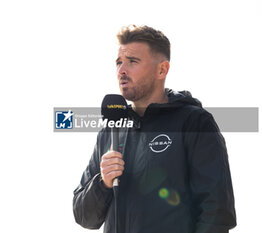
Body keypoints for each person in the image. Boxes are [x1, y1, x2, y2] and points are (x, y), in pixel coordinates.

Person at [73, 25, 237, 233]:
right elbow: (83, 217)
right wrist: (103, 183)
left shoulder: (194, 123)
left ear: (162, 69)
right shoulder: (110, 130)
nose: (122, 70)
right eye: (118, 62)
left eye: (132, 61)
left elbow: (216, 213)